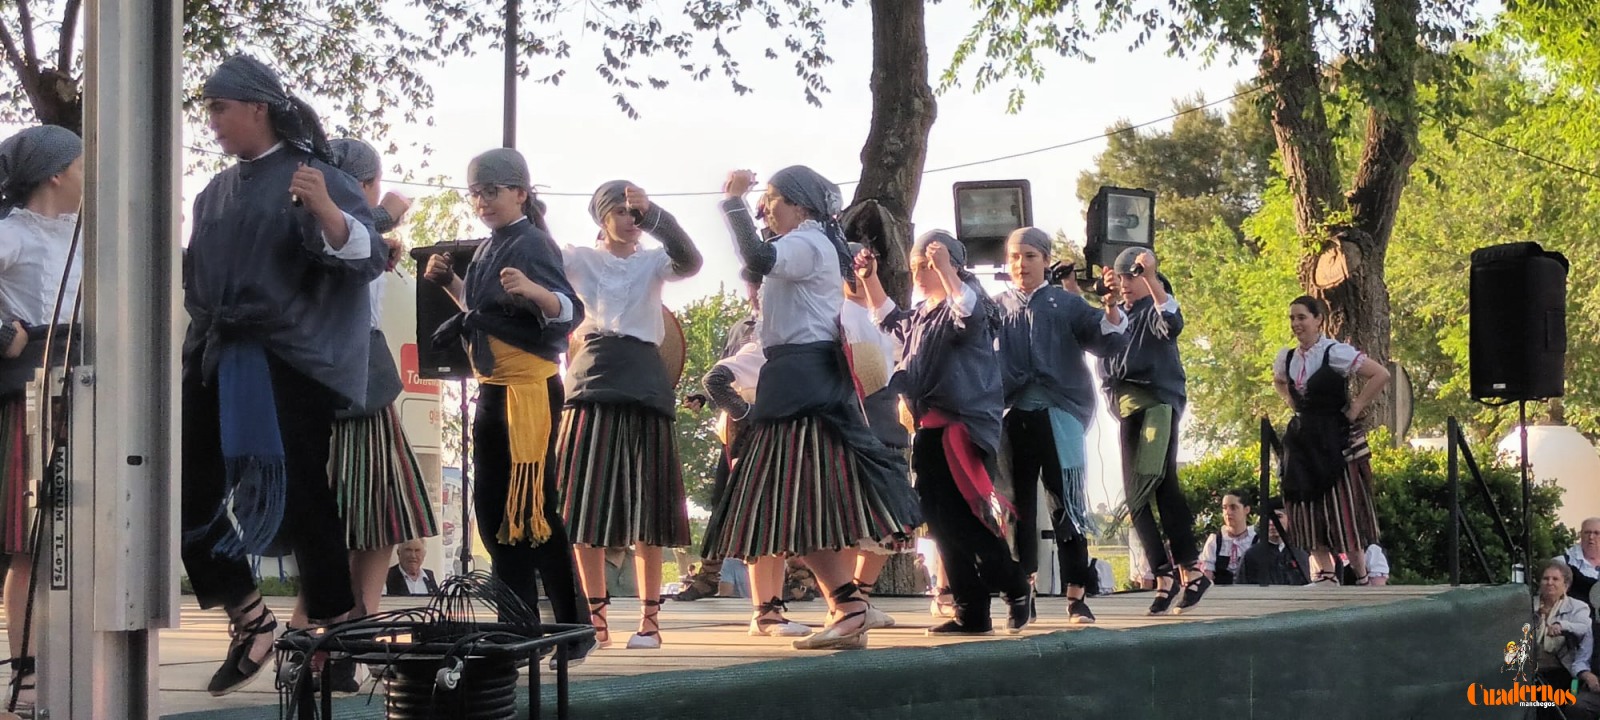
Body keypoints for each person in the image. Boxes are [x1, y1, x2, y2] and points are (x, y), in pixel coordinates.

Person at [181, 55, 384, 696]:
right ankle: (250, 617)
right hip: (218, 352)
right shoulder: (213, 192)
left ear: (257, 108)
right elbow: (196, 279)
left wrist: (325, 207)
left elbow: (366, 255)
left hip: (290, 361)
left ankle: (335, 633)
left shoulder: (314, 176)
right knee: (186, 488)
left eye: (219, 108)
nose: (211, 122)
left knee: (302, 505)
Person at [703, 167, 920, 651]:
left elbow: (757, 257)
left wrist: (734, 202)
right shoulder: (814, 242)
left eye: (774, 199)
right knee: (801, 506)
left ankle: (850, 608)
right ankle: (848, 609)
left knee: (796, 503)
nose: (766, 207)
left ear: (801, 206)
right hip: (799, 382)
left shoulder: (805, 243)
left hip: (802, 385)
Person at [423, 147, 589, 664]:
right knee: (499, 515)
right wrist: (450, 282)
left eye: (491, 192)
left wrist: (536, 291)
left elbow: (569, 310)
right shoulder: (494, 246)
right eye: (476, 193)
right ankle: (524, 630)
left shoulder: (533, 242)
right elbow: (486, 316)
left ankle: (564, 629)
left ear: (520, 192)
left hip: (529, 392)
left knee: (533, 513)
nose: (482, 202)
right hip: (496, 388)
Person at [859, 231, 1031, 636]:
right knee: (937, 523)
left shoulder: (968, 307)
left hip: (962, 428)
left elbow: (966, 309)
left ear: (950, 265)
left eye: (928, 265)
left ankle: (1011, 581)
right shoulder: (922, 314)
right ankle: (972, 612)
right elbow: (888, 318)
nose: (920, 272)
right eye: (917, 266)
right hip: (929, 431)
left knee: (963, 516)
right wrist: (869, 277)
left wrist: (948, 270)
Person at [554, 180, 701, 650]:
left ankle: (650, 621)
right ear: (602, 217)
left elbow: (690, 260)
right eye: (621, 211)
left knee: (648, 508)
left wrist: (655, 212)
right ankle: (595, 619)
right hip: (591, 382)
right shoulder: (581, 258)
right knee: (584, 506)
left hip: (643, 380)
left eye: (634, 213)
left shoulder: (653, 261)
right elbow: (541, 255)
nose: (630, 221)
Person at [993, 227, 1119, 625]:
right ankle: (1021, 593)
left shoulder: (1065, 304)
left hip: (1059, 414)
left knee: (1067, 505)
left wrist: (1111, 308)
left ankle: (1076, 596)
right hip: (1013, 416)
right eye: (1014, 256)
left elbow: (1105, 337)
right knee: (1016, 508)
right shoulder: (995, 307)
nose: (1021, 264)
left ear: (1046, 260)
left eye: (1030, 256)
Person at [0, 123, 83, 710]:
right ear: (56, 173)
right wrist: (3, 333)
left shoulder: (92, 233)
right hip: (35, 396)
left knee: (83, 540)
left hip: (94, 393)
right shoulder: (12, 235)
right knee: (33, 542)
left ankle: (74, 664)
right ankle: (27, 672)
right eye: (83, 162)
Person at [1099, 248, 1209, 614]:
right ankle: (1164, 573)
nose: (1127, 285)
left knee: (1159, 484)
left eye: (1133, 278)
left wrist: (1152, 277)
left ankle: (1190, 570)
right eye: (1123, 278)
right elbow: (1100, 345)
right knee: (1136, 497)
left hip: (1157, 405)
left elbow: (1172, 322)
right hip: (1128, 408)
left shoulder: (1156, 309)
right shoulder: (1121, 316)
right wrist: (1096, 297)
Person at [1272, 295, 1390, 586]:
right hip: (1302, 440)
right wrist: (1292, 401)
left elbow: (1380, 374)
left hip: (1333, 438)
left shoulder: (1334, 352)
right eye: (1292, 318)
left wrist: (1354, 409)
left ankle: (1360, 575)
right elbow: (1279, 381)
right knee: (1304, 503)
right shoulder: (1287, 356)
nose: (1296, 323)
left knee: (1342, 505)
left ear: (1318, 319)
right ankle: (1324, 573)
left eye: (1302, 317)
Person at [1532, 560, 1596, 719]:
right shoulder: (1528, 605)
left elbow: (1584, 627)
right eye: (1546, 579)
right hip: (1528, 668)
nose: (1549, 583)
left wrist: (1563, 625)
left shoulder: (1577, 607)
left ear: (1565, 586)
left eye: (1555, 579)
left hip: (1559, 669)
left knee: (1547, 702)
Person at [1238, 501, 1311, 586]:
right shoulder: (1251, 555)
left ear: (1289, 519)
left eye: (1278, 517)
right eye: (1267, 518)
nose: (1272, 523)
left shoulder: (1301, 553)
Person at [1200, 490, 1257, 586]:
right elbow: (1207, 575)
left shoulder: (1256, 539)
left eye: (1233, 508)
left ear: (1246, 510)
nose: (1228, 512)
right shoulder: (1215, 540)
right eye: (1224, 508)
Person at [1558, 517, 1600, 605]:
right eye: (1587, 532)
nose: (1591, 537)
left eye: (1596, 533)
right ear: (1580, 535)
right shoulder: (1563, 563)